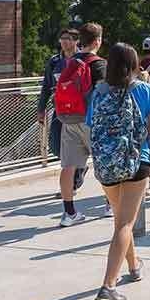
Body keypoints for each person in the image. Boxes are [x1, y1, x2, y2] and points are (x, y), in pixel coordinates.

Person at [86, 43, 150, 300]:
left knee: (121, 220)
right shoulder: (144, 90)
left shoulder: (98, 93)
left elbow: (90, 128)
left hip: (106, 166)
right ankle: (108, 285)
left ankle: (133, 265)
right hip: (136, 163)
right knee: (124, 224)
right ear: (134, 65)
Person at [48, 23, 109, 227]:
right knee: (103, 162)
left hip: (68, 118)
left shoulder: (69, 62)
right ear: (98, 41)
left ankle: (69, 212)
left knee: (68, 166)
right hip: (92, 121)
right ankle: (110, 204)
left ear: (80, 40)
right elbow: (104, 94)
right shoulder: (98, 63)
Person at [36, 28, 78, 162]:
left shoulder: (83, 60)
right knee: (55, 144)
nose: (64, 42)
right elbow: (46, 87)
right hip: (60, 109)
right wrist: (41, 109)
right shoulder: (54, 62)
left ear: (76, 41)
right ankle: (71, 168)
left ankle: (76, 169)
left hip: (79, 110)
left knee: (78, 146)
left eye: (68, 39)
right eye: (62, 39)